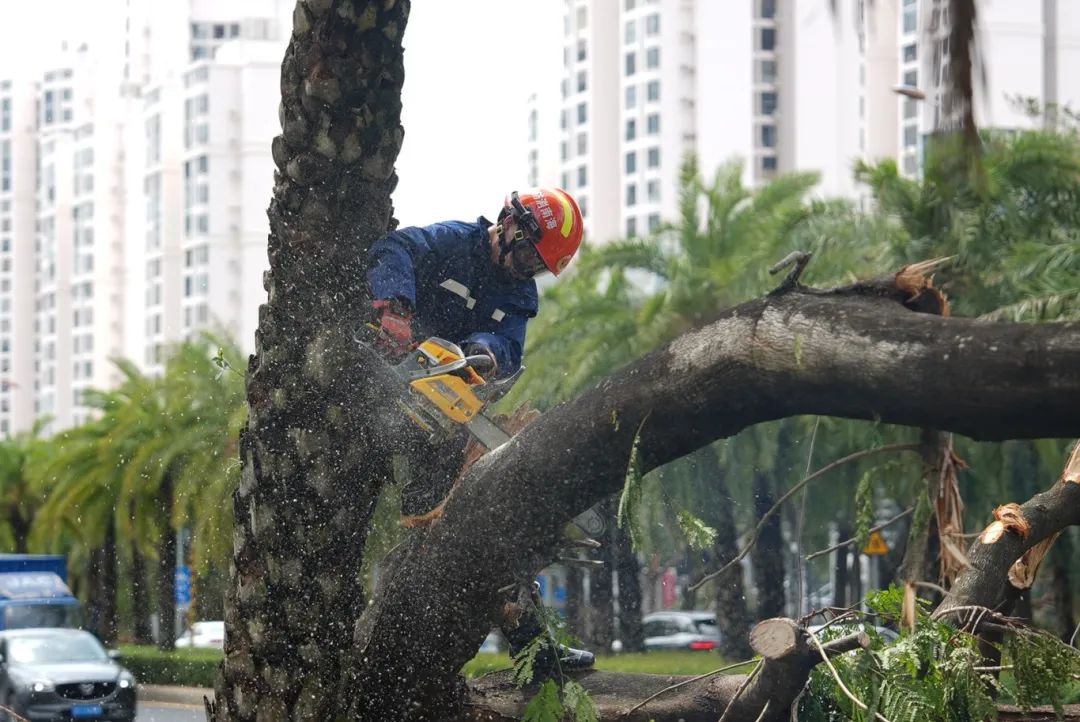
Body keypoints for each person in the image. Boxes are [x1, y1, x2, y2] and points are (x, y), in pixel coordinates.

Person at [365, 187, 595, 670]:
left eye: (539, 266)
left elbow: (509, 347)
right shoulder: (455, 242)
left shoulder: (519, 294)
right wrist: (397, 310)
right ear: (511, 225)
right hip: (384, 390)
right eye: (530, 256)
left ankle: (532, 646)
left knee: (492, 518)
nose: (528, 270)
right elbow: (395, 247)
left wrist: (484, 352)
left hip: (444, 424)